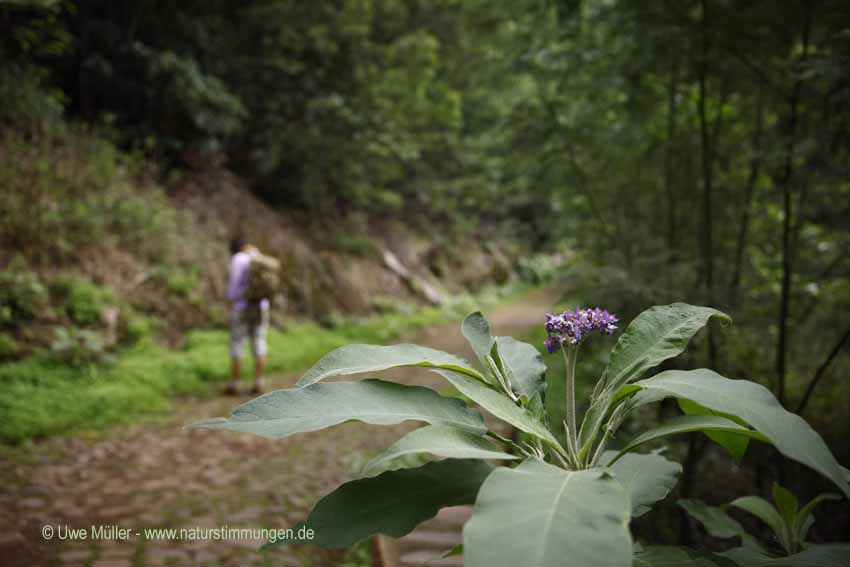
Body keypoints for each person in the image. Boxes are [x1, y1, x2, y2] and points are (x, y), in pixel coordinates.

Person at [225, 237, 269, 395]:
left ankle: (235, 384)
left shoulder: (238, 258)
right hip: (261, 307)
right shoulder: (258, 256)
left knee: (237, 343)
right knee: (259, 342)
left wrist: (230, 299)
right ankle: (259, 382)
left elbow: (234, 284)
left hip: (241, 307)